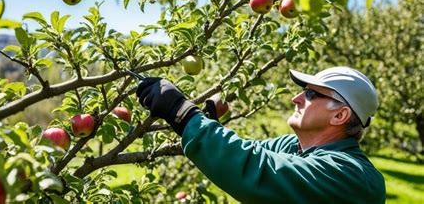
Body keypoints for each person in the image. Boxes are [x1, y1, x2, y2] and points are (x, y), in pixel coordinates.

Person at [136, 66, 385, 203]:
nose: (296, 98)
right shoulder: (296, 147)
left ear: (339, 116)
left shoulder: (353, 176)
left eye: (310, 95)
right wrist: (208, 123)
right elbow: (246, 152)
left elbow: (258, 170)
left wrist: (182, 113)